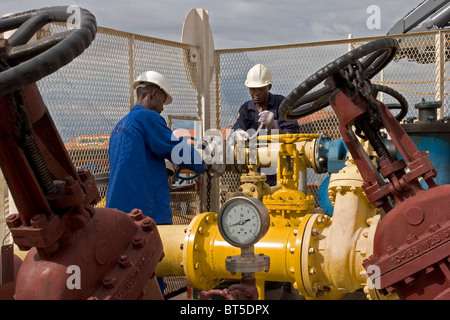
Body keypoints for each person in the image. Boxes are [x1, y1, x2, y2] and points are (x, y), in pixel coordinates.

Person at [106, 70, 205, 225]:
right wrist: (203, 160)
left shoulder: (121, 125)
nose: (163, 109)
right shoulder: (148, 118)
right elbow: (175, 149)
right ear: (153, 94)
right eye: (163, 101)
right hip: (144, 212)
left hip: (116, 212)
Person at [230, 64, 300, 186]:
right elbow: (238, 127)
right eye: (252, 89)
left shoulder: (281, 105)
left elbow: (293, 136)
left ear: (269, 86)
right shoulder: (246, 109)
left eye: (260, 89)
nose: (256, 93)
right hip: (253, 171)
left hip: (280, 170)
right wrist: (236, 133)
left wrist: (274, 127)